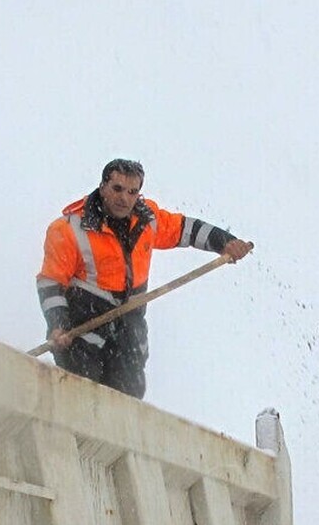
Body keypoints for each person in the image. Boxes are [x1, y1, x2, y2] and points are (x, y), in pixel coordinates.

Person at [35, 159, 252, 399]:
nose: (124, 198)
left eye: (132, 191)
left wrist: (226, 243)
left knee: (128, 402)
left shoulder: (147, 218)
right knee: (82, 399)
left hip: (128, 332)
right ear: (102, 186)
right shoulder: (68, 229)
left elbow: (185, 229)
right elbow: (51, 283)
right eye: (117, 189)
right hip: (80, 333)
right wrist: (58, 324)